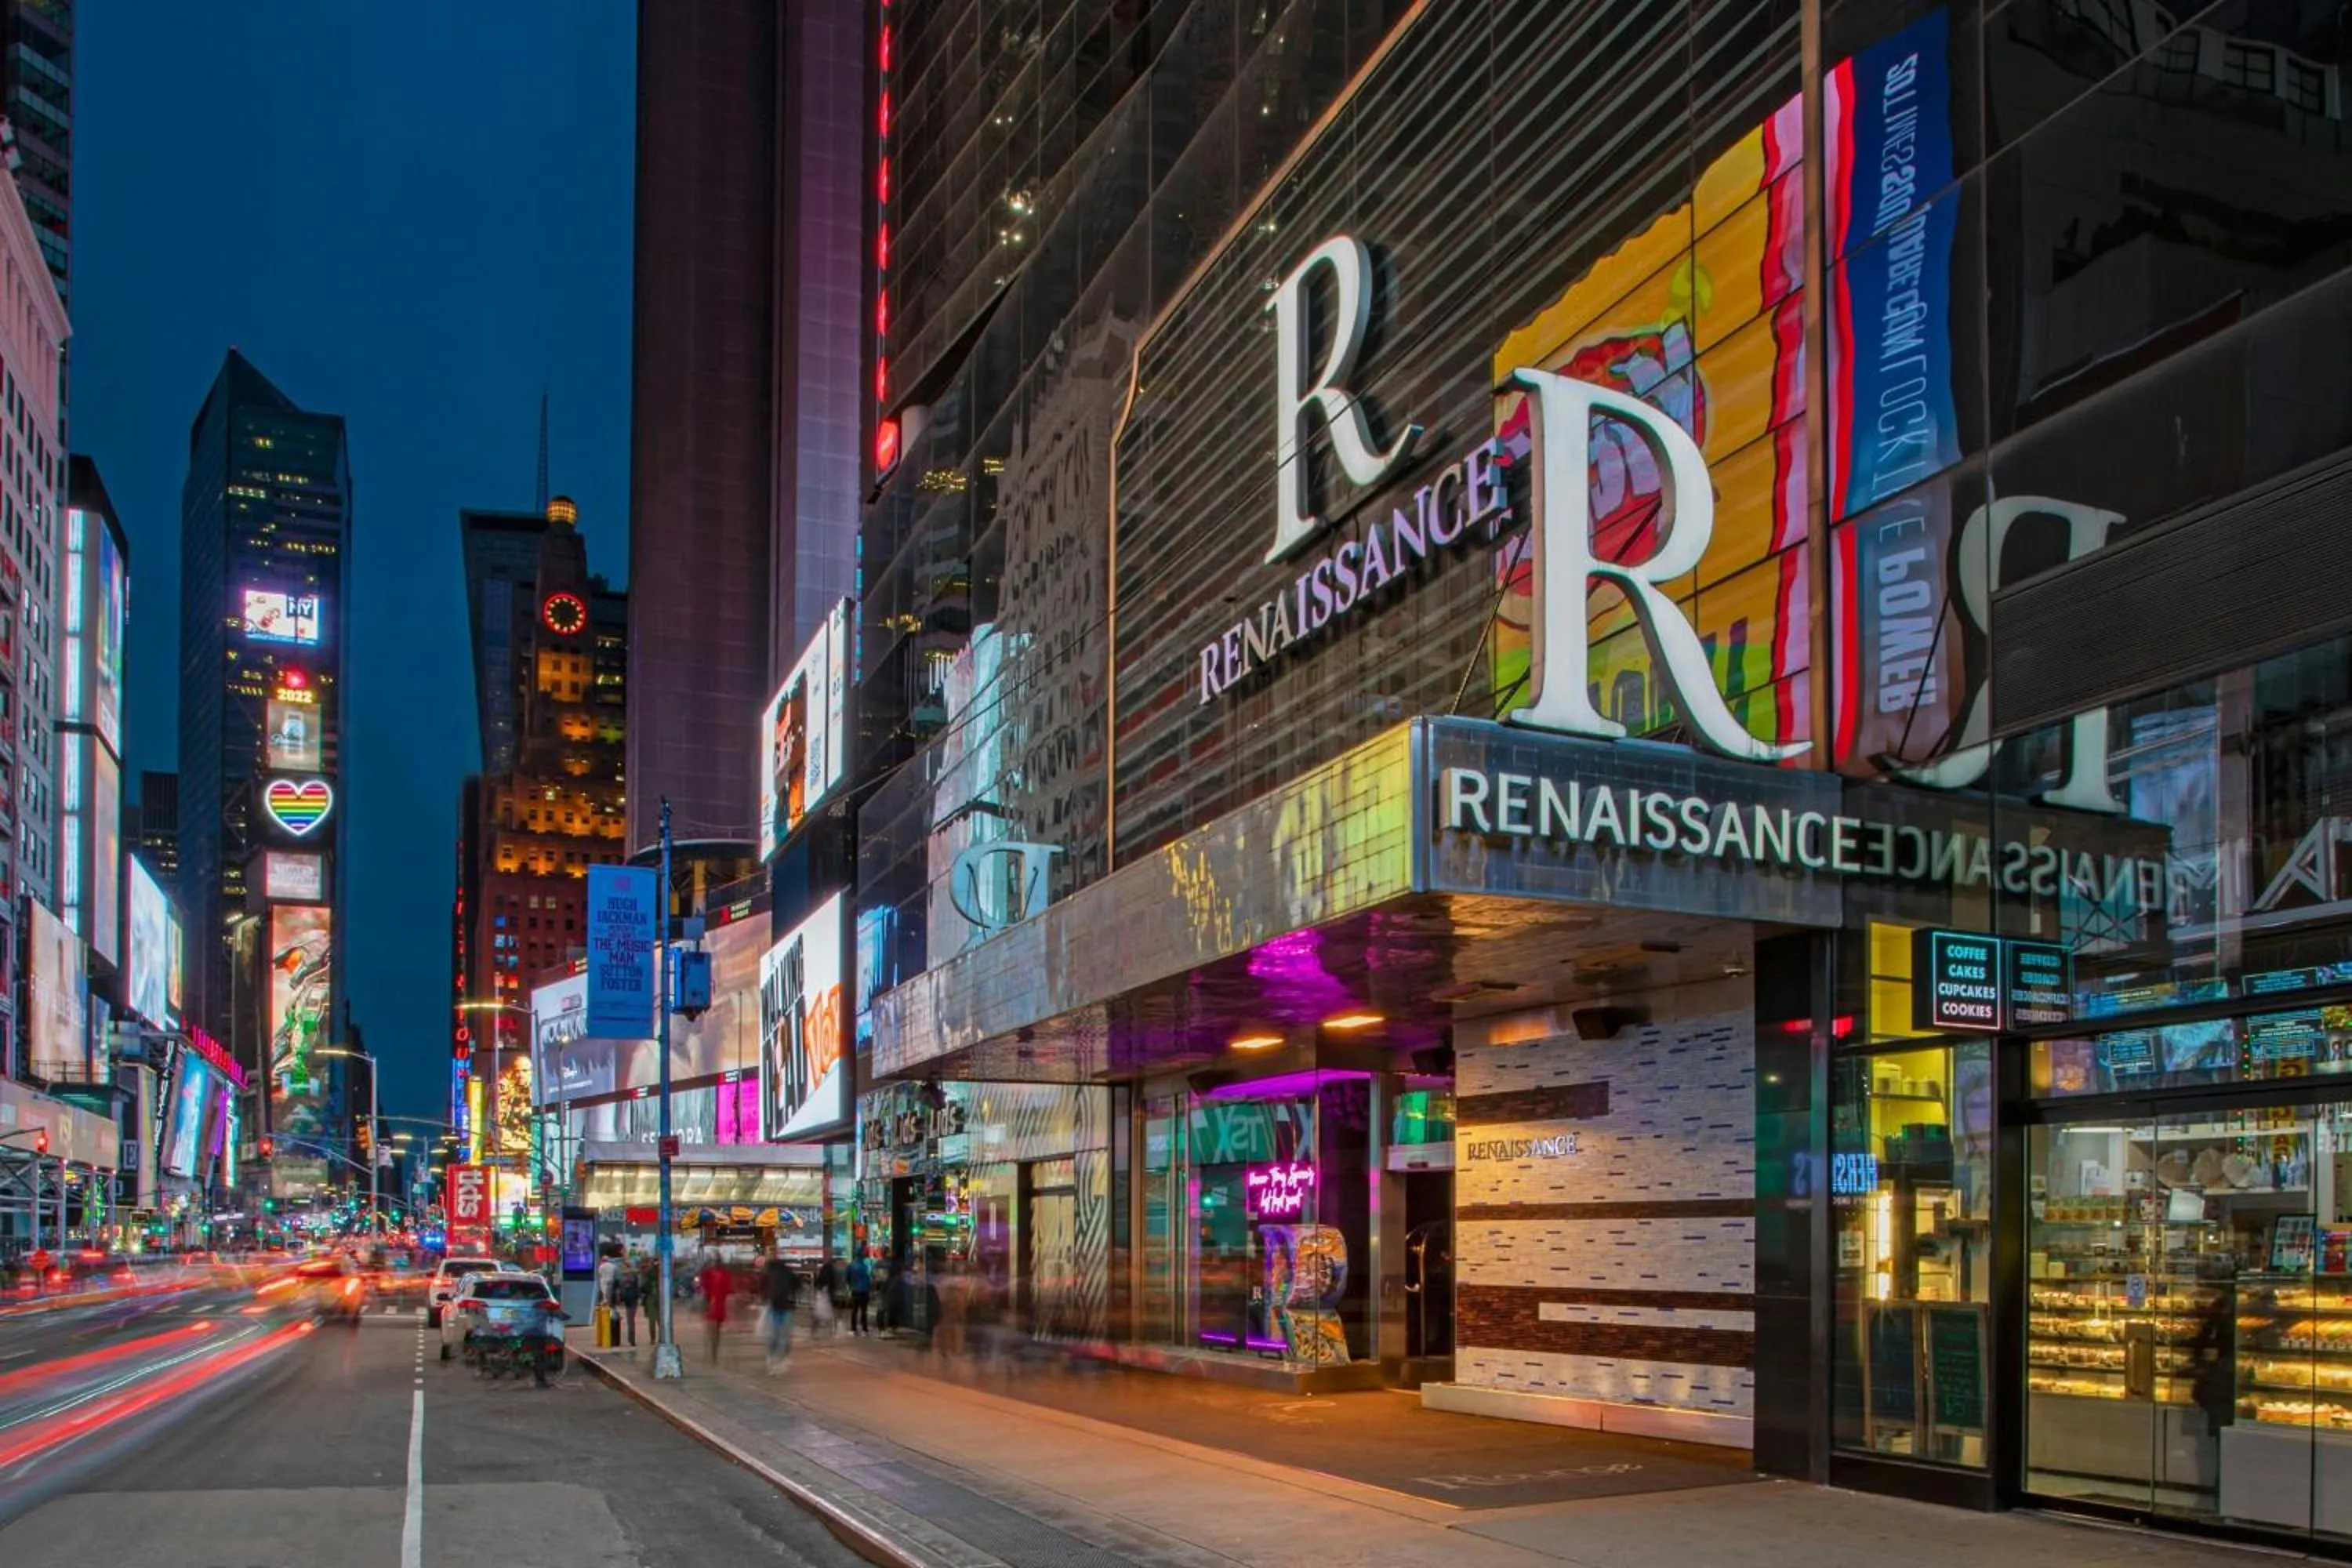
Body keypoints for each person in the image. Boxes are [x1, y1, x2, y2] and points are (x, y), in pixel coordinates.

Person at [760, 1250, 802, 1374]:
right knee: (785, 1335)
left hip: (775, 1305)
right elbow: (797, 1285)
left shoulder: (769, 1273)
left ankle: (772, 1357)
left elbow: (762, 1287)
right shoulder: (788, 1271)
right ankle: (783, 1358)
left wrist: (764, 1298)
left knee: (775, 1334)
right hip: (788, 1306)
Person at [695, 1254, 733, 1363]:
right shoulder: (721, 1275)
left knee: (713, 1330)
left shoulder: (710, 1274)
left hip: (715, 1305)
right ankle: (712, 1353)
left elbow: (700, 1286)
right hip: (716, 1305)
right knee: (714, 1330)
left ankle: (712, 1353)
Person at [613, 1254, 641, 1347]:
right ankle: (631, 1339)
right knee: (631, 1320)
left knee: (630, 1320)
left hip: (628, 1299)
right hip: (633, 1299)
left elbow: (620, 1286)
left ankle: (631, 1339)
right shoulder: (634, 1276)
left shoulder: (624, 1277)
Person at [811, 1254, 842, 1337]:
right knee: (833, 1313)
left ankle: (814, 1332)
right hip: (828, 1294)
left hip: (821, 1294)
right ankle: (834, 1332)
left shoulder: (824, 1270)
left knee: (818, 1314)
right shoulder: (832, 1270)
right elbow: (833, 1283)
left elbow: (817, 1282)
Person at [846, 1252, 873, 1336]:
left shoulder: (851, 1266)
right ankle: (865, 1330)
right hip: (865, 1291)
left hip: (855, 1291)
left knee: (854, 1311)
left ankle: (854, 1330)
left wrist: (850, 1287)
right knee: (864, 1311)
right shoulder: (866, 1266)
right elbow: (869, 1279)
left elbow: (847, 1278)